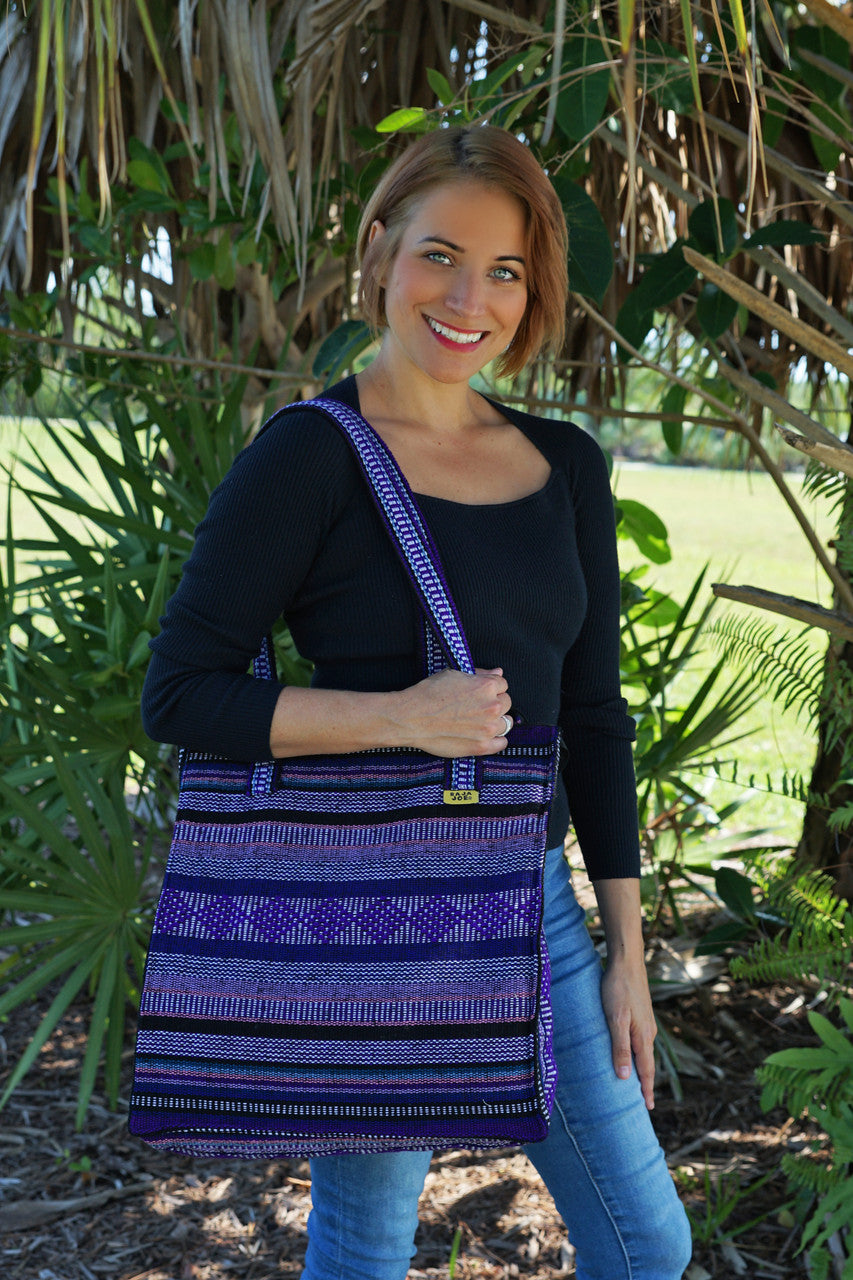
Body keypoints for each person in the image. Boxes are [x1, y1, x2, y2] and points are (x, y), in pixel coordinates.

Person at [141, 125, 693, 1280]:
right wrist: (402, 716)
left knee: (645, 1240)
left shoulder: (565, 465)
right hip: (372, 903)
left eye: (505, 271)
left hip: (534, 902)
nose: (467, 299)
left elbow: (595, 716)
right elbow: (182, 690)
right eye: (439, 254)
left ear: (532, 290)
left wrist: (627, 949)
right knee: (365, 1245)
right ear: (381, 248)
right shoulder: (309, 456)